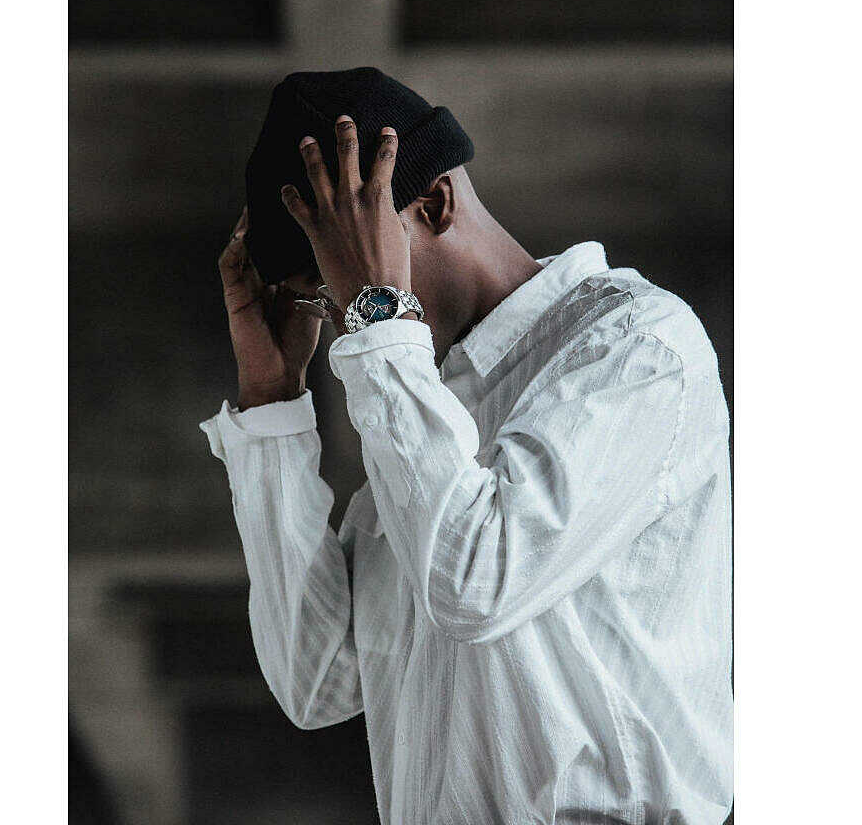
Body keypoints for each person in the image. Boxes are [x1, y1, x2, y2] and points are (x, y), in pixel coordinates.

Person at [200, 68, 733, 825]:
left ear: (435, 204)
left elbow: (475, 581)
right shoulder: (430, 415)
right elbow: (319, 680)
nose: (343, 320)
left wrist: (381, 312)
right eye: (324, 299)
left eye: (342, 282)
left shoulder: (637, 346)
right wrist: (273, 402)